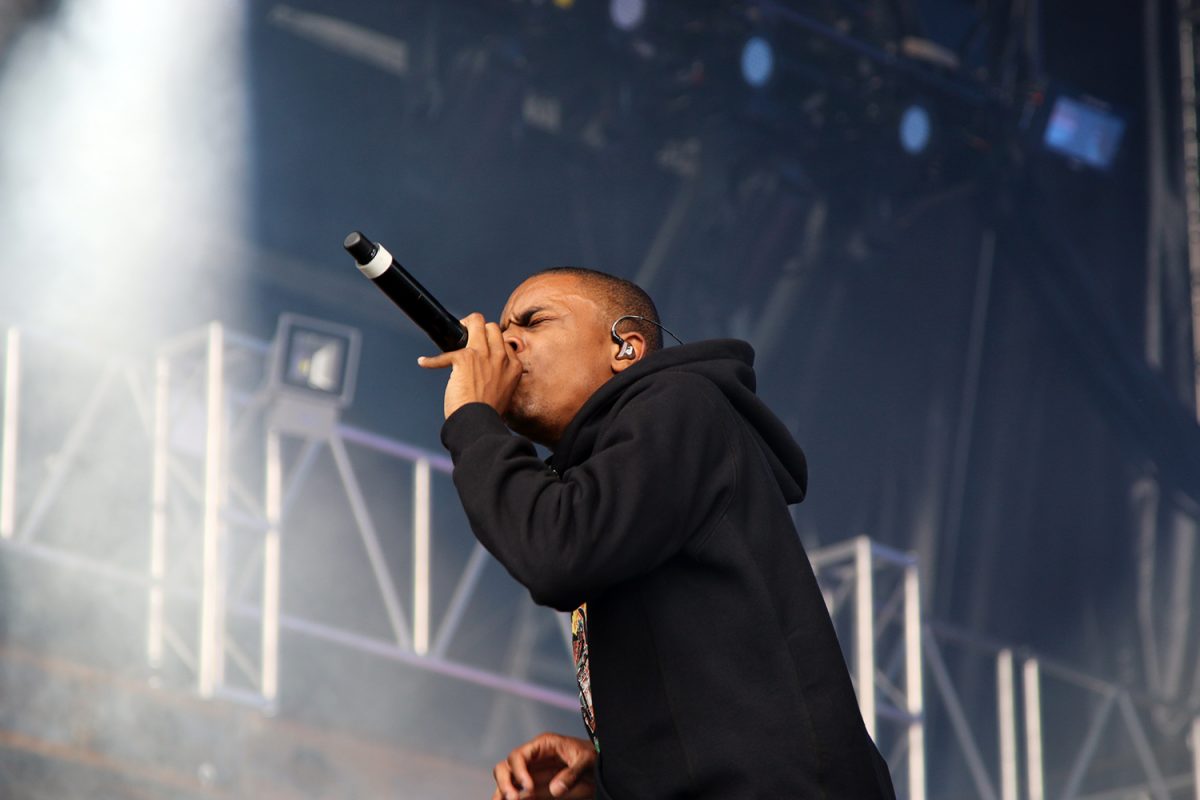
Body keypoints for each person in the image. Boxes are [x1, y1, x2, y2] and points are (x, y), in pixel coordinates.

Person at [418, 268, 895, 800]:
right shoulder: (614, 483)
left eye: (533, 321)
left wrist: (473, 417)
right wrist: (609, 781)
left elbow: (556, 552)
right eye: (505, 327)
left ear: (626, 347)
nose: (505, 341)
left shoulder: (683, 402)